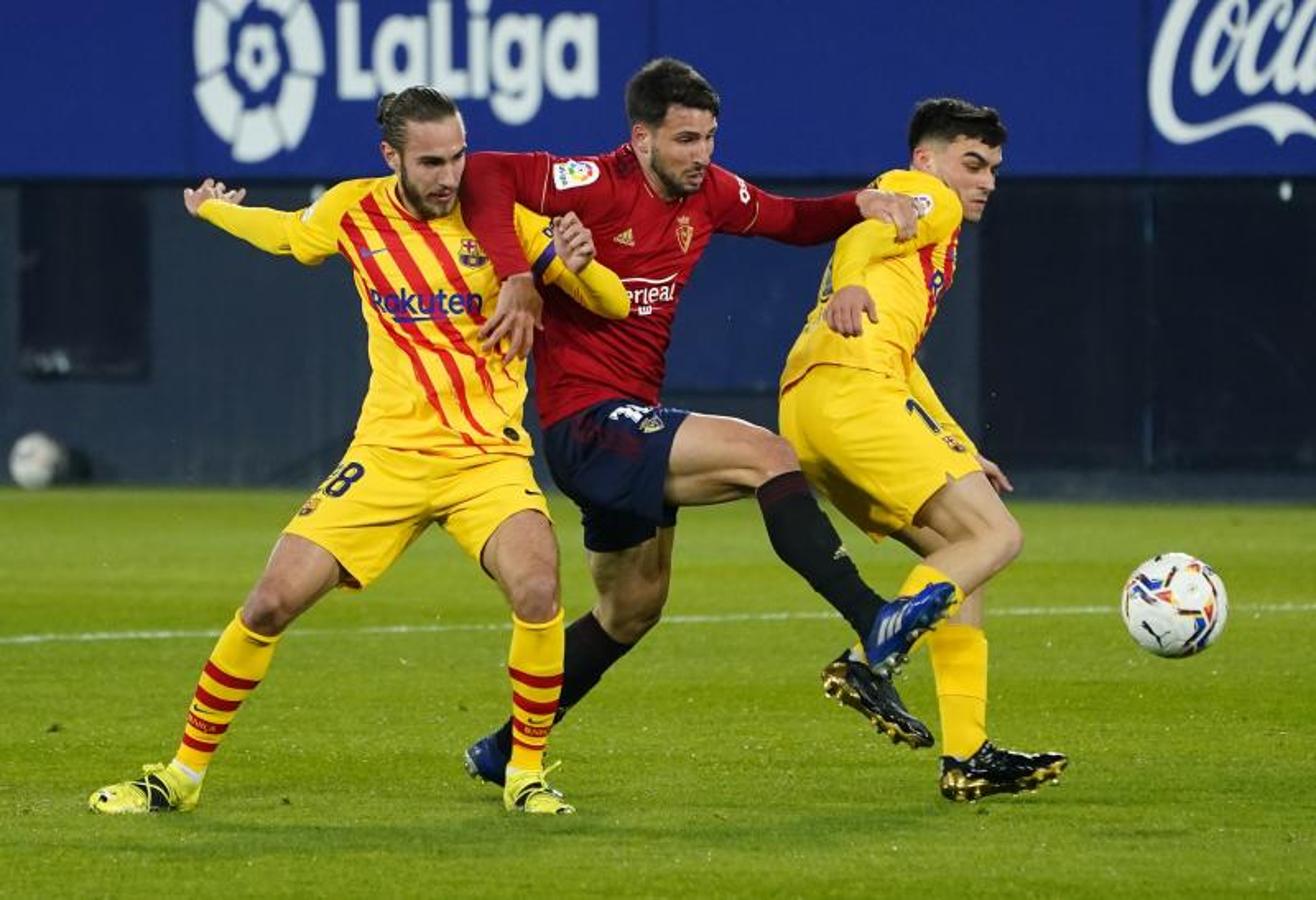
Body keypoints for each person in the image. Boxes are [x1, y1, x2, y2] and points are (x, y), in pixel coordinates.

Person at [87, 86, 631, 817]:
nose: (450, 175)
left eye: (459, 156)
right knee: (271, 602)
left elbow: (613, 304)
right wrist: (212, 209)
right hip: (388, 457)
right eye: (432, 161)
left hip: (486, 460)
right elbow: (288, 234)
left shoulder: (502, 217)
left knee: (537, 590)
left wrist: (580, 263)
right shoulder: (354, 210)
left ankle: (525, 776)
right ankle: (180, 775)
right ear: (392, 157)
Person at [456, 57, 957, 786]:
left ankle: (501, 748)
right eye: (686, 139)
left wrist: (860, 204)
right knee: (766, 455)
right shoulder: (595, 183)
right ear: (641, 138)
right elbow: (485, 177)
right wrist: (517, 274)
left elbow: (789, 219)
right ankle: (872, 618)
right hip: (586, 421)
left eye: (710, 138)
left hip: (631, 425)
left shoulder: (712, 194)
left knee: (631, 610)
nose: (702, 156)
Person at [777, 97, 1067, 801]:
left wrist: (960, 445)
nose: (987, 181)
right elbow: (861, 234)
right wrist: (848, 281)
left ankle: (967, 755)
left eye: (994, 168)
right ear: (927, 160)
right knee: (999, 535)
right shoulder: (922, 194)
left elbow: (905, 362)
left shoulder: (933, 248)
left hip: (816, 405)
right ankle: (870, 656)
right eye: (974, 163)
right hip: (854, 393)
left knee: (963, 561)